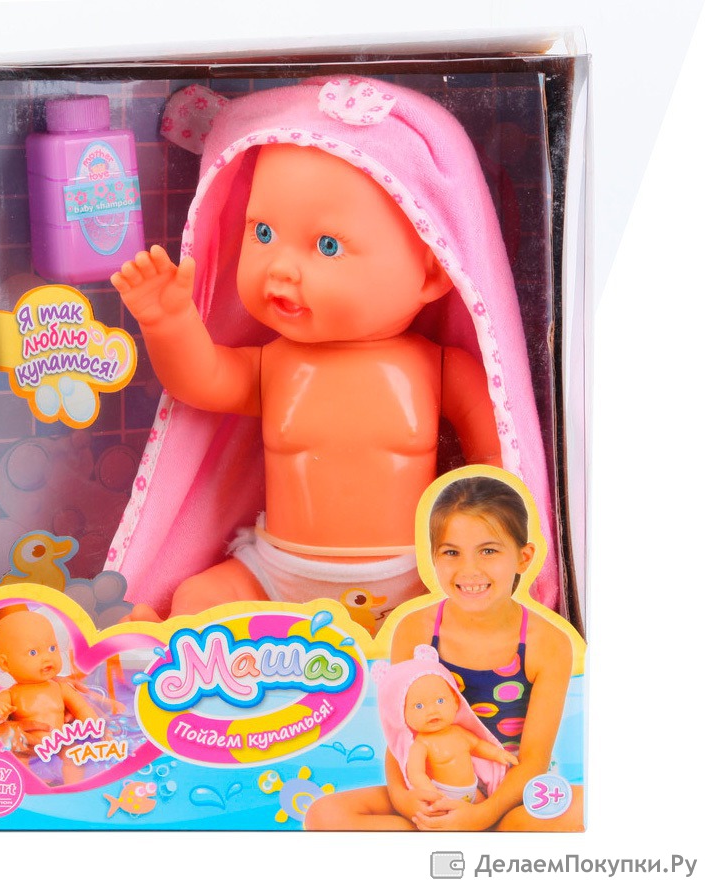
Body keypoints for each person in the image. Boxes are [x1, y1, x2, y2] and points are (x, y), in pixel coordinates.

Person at [109, 76, 562, 623]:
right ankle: (186, 651)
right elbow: (200, 382)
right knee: (197, 599)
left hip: (413, 576)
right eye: (262, 233)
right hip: (277, 570)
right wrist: (168, 321)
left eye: (327, 246)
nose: (280, 267)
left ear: (432, 269)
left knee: (447, 628)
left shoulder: (440, 369)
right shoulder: (275, 364)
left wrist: (488, 547)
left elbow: (499, 463)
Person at [305, 473, 582, 830]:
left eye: (488, 551)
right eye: (451, 552)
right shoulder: (417, 630)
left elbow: (533, 760)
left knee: (577, 810)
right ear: (433, 558)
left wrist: (483, 814)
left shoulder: (546, 642)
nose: (469, 570)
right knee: (324, 814)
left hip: (509, 791)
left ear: (523, 557)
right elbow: (400, 734)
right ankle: (445, 833)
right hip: (433, 786)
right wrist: (406, 801)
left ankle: (479, 834)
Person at [379, 645, 517, 806]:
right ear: (401, 714)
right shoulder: (421, 745)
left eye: (440, 701)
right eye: (419, 706)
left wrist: (498, 754)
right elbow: (416, 774)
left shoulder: (459, 732)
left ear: (456, 702)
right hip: (445, 794)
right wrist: (432, 793)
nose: (432, 711)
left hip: (473, 791)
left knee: (484, 810)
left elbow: (478, 746)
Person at [0, 606, 109, 784]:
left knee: (75, 756)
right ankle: (32, 785)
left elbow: (82, 709)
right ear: (5, 664)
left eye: (52, 648)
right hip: (26, 742)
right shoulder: (10, 694)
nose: (47, 658)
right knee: (18, 759)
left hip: (59, 739)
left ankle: (72, 787)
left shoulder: (60, 688)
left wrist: (98, 728)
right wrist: (0, 711)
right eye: (33, 652)